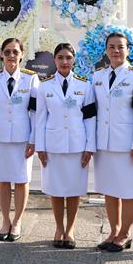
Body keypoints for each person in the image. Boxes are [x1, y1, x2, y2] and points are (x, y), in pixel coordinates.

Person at [90, 32, 133, 252]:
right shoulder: (98, 76)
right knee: (110, 189)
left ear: (128, 50)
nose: (116, 51)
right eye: (112, 47)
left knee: (128, 190)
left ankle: (125, 233)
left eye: (121, 47)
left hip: (126, 144)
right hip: (104, 143)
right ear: (106, 50)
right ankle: (114, 231)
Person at [35, 43, 95, 249]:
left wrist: (90, 147)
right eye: (60, 57)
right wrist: (40, 147)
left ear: (74, 60)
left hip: (78, 145)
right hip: (53, 145)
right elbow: (40, 119)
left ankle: (70, 230)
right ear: (54, 59)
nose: (64, 61)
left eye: (68, 57)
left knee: (74, 189)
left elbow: (90, 119)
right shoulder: (44, 86)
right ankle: (59, 228)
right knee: (56, 189)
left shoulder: (84, 85)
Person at [0, 38, 39, 241]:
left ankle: (17, 221)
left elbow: (35, 112)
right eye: (7, 52)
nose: (11, 56)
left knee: (22, 180)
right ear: (1, 54)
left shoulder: (30, 79)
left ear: (22, 55)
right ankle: (5, 220)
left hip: (23, 138)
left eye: (15, 52)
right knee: (3, 180)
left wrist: (33, 140)